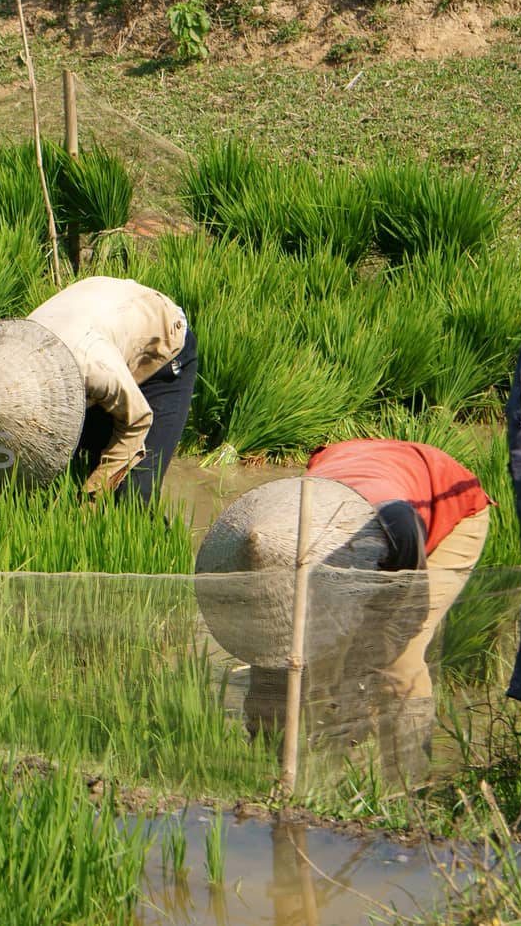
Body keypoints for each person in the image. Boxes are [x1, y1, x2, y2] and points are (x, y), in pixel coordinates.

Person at [201, 439, 490, 779]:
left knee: (398, 661)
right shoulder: (267, 529)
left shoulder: (396, 525)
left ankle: (406, 788)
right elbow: (273, 649)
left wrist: (354, 680)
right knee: (278, 660)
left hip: (444, 505)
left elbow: (405, 616)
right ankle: (271, 772)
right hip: (348, 469)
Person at [24, 276, 196, 501]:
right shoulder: (13, 357)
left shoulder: (90, 366)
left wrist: (91, 498)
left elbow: (137, 421)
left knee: (131, 495)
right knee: (70, 471)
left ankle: (152, 532)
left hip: (161, 351)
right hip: (101, 320)